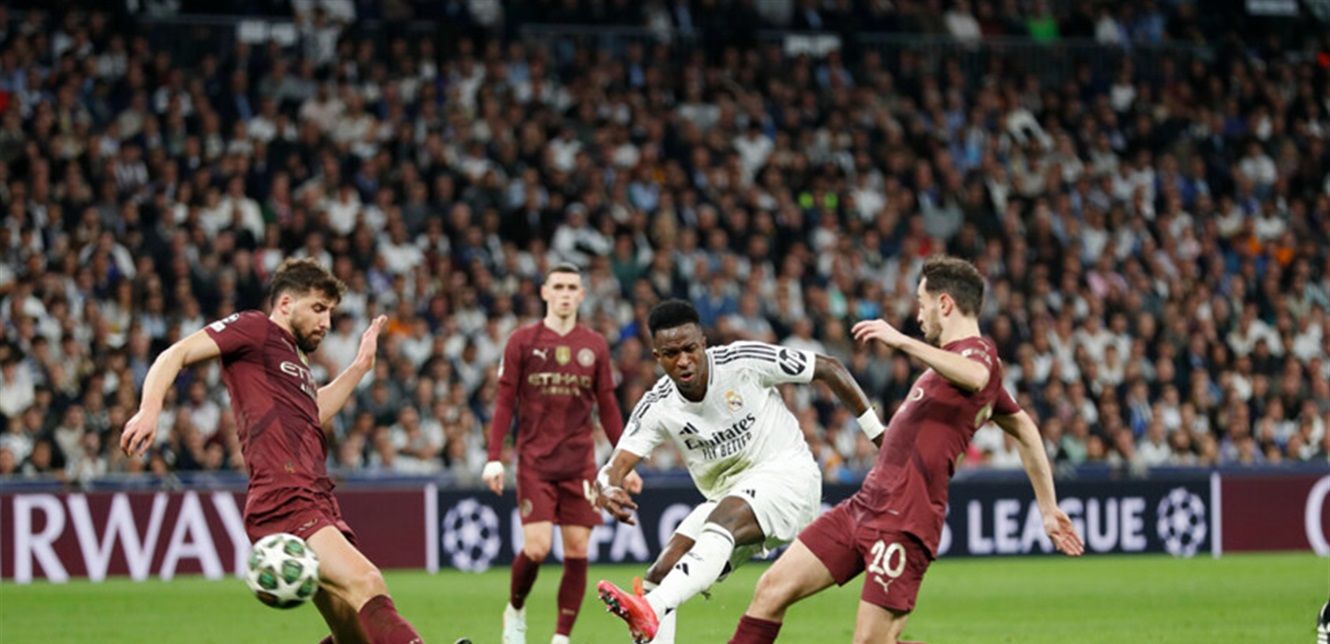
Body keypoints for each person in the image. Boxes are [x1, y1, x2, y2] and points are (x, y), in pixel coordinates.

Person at [728, 255, 1085, 644]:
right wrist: (1048, 508)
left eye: (921, 303)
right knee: (771, 590)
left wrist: (900, 340)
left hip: (906, 521)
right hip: (865, 505)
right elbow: (1025, 429)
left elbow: (976, 375)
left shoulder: (979, 354)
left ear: (944, 304)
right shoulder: (948, 369)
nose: (918, 315)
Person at [120, 258, 423, 644]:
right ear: (285, 303)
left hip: (316, 496)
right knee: (367, 582)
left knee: (352, 634)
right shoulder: (255, 329)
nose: (326, 322)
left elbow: (312, 413)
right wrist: (150, 409)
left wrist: (361, 366)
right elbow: (174, 354)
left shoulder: (296, 361)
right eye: (318, 308)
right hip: (285, 495)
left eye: (330, 312)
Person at [592, 299, 884, 644]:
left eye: (690, 349)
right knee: (662, 572)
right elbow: (614, 467)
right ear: (657, 357)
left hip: (789, 477)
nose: (683, 360)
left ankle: (650, 608)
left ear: (703, 343)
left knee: (720, 523)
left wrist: (882, 438)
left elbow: (829, 367)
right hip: (729, 497)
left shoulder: (742, 362)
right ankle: (653, 607)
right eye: (671, 353)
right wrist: (608, 488)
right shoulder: (658, 406)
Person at [482, 263, 641, 644]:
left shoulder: (595, 345)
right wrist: (494, 457)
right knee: (537, 548)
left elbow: (608, 407)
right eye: (559, 287)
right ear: (545, 292)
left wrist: (626, 463)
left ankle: (561, 638)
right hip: (535, 463)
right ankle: (515, 609)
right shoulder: (522, 341)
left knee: (577, 549)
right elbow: (504, 402)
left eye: (572, 287)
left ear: (582, 295)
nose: (565, 294)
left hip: (579, 464)